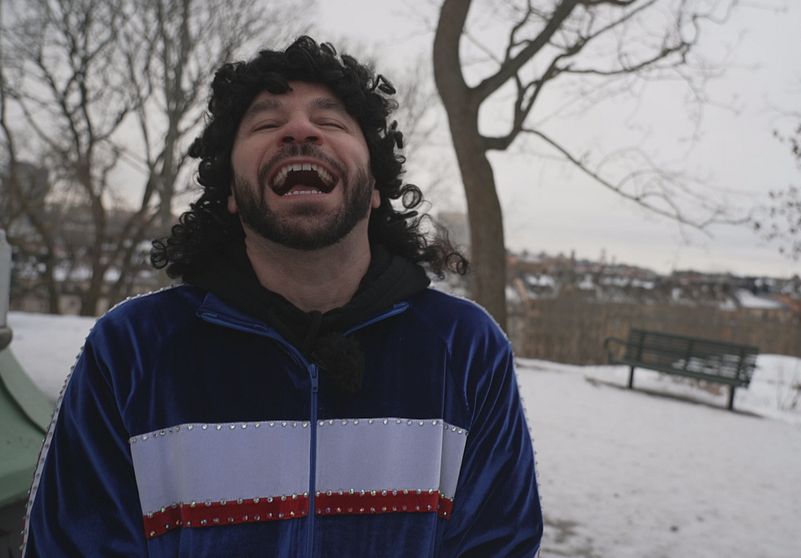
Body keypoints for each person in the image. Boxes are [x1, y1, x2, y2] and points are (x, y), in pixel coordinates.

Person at [21, 36, 542, 557]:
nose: (299, 130)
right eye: (266, 124)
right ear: (230, 190)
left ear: (375, 186)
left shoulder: (466, 349)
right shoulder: (131, 350)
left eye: (330, 120)